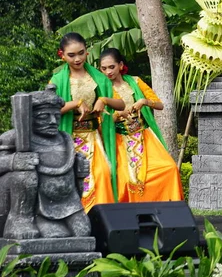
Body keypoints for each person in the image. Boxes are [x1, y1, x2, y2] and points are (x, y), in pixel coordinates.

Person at [0, 85, 91, 239]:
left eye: (57, 116)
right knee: (24, 175)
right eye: (44, 117)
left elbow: (70, 176)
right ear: (29, 118)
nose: (52, 121)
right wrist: (14, 161)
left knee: (83, 231)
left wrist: (79, 171)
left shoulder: (64, 139)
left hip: (66, 200)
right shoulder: (14, 137)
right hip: (35, 203)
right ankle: (20, 220)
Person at [50, 32, 125, 212]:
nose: (77, 59)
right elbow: (49, 109)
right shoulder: (57, 80)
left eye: (81, 53)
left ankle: (101, 224)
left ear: (87, 52)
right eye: (71, 55)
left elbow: (121, 104)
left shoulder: (99, 78)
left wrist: (104, 100)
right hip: (69, 138)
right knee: (70, 178)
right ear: (62, 55)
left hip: (92, 138)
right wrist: (75, 104)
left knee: (102, 175)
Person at [99, 48, 183, 203]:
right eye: (103, 68)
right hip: (119, 139)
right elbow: (99, 120)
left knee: (169, 169)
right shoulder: (101, 90)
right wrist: (118, 115)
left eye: (111, 67)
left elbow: (159, 105)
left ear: (120, 65)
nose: (108, 72)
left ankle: (167, 212)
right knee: (124, 180)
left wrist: (143, 101)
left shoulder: (135, 82)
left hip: (144, 135)